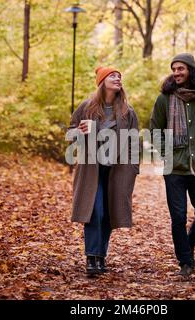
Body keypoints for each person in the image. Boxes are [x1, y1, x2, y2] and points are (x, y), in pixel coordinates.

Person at [150, 53, 195, 276]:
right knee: (179, 217)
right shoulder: (164, 99)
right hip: (174, 169)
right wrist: (167, 155)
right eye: (173, 69)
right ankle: (185, 262)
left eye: (180, 68)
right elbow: (156, 131)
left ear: (190, 70)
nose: (176, 73)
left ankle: (188, 244)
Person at [67, 66, 139, 277]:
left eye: (119, 76)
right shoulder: (87, 107)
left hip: (117, 171)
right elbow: (69, 133)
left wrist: (133, 170)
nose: (117, 78)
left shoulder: (128, 112)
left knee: (108, 214)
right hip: (91, 170)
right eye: (112, 75)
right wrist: (77, 132)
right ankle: (91, 257)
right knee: (94, 211)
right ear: (102, 81)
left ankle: (101, 257)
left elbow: (134, 143)